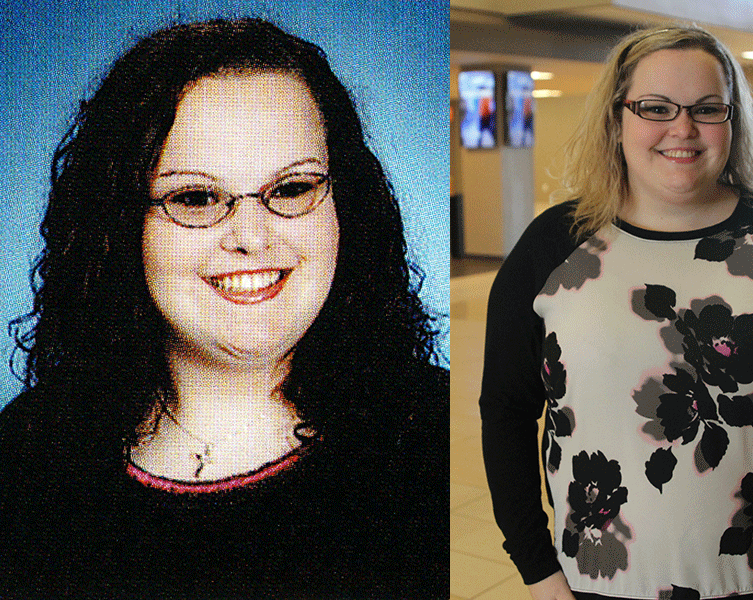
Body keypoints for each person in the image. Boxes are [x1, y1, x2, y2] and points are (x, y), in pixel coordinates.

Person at [0, 18, 448, 599]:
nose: (253, 238)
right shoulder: (29, 459)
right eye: (195, 197)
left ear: (346, 207)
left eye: (292, 189)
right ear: (116, 225)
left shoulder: (432, 437)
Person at [480, 25, 753, 600]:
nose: (682, 129)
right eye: (655, 107)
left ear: (733, 121)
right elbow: (505, 414)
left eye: (708, 109)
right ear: (617, 119)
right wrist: (538, 572)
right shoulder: (555, 245)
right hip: (594, 585)